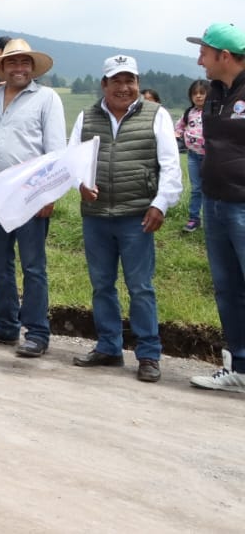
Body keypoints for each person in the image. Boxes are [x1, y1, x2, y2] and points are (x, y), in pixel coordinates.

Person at [69, 55, 181, 384]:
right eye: (116, 81)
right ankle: (109, 347)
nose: (124, 87)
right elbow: (73, 160)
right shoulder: (86, 116)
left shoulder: (155, 115)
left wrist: (160, 204)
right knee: (102, 285)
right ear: (104, 84)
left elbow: (171, 165)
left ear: (138, 82)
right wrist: (80, 184)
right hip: (96, 217)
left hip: (137, 216)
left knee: (141, 287)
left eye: (129, 80)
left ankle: (148, 354)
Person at [0, 38, 65, 358]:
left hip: (31, 196)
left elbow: (56, 152)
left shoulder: (47, 99)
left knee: (33, 266)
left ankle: (37, 332)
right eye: (12, 63)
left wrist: (48, 195)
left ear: (32, 68)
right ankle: (6, 325)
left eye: (24, 63)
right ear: (3, 67)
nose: (18, 68)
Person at [186, 23, 245, 393]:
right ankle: (239, 367)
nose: (199, 60)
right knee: (227, 289)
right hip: (215, 202)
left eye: (204, 53)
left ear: (224, 55)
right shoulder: (215, 94)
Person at [175, 79, 210, 232]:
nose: (198, 96)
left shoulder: (213, 112)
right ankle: (194, 218)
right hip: (193, 156)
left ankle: (210, 219)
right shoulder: (189, 113)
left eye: (202, 93)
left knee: (211, 189)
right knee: (196, 188)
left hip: (211, 157)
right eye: (195, 93)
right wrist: (179, 135)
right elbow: (179, 127)